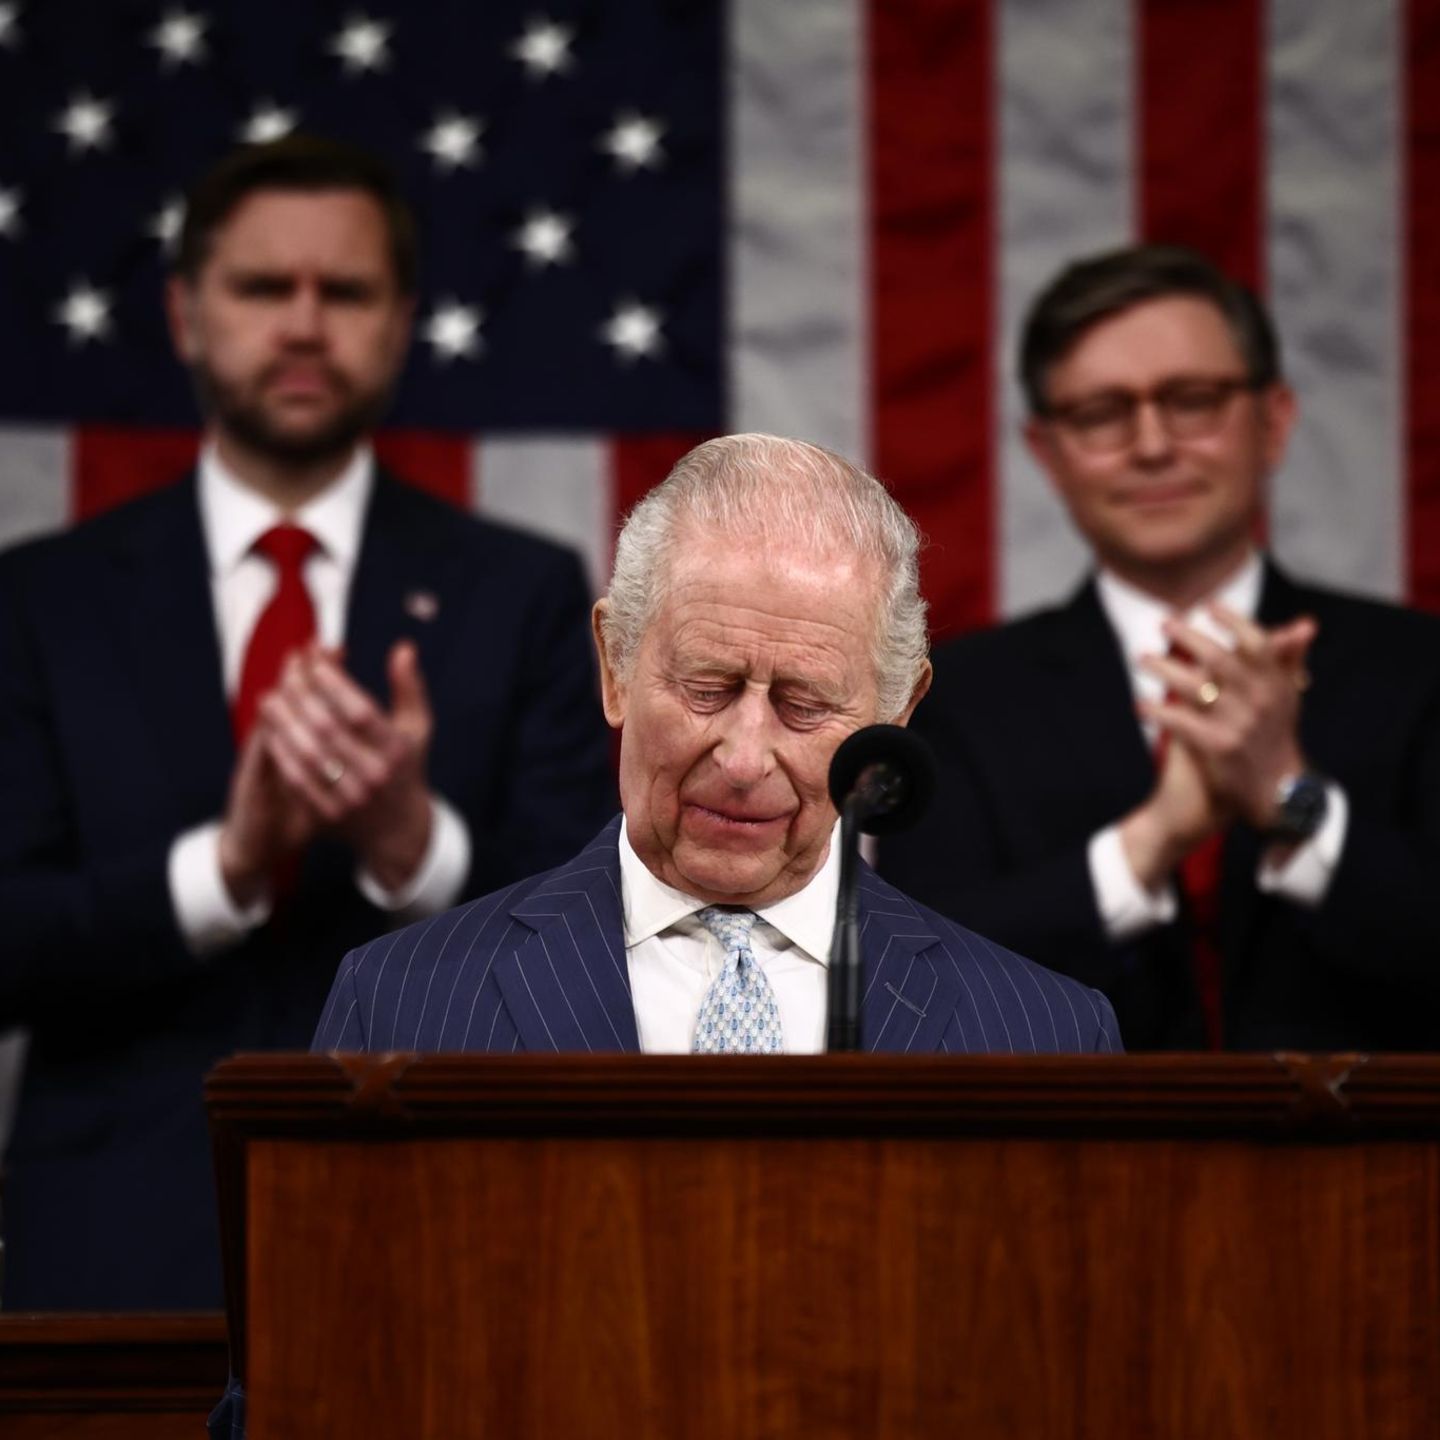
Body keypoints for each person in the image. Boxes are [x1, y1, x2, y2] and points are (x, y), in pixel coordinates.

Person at [0, 136, 615, 1309]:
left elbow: (596, 942)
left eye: (344, 292)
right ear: (185, 313)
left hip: (446, 1226)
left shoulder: (523, 592)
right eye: (261, 287)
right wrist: (222, 870)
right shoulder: (41, 600)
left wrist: (412, 846)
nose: (301, 324)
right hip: (115, 1257)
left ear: (400, 322)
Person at [311, 433, 1121, 1058]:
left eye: (804, 706)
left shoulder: (1041, 1037)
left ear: (896, 712)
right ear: (615, 667)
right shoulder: (401, 1006)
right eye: (707, 688)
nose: (743, 759)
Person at [881, 244, 1440, 1051]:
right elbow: (915, 991)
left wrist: (1291, 799)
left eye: (1192, 400)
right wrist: (1149, 843)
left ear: (1274, 421)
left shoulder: (1418, 670)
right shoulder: (950, 697)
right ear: (1047, 453)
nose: (1151, 445)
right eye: (1102, 413)